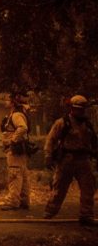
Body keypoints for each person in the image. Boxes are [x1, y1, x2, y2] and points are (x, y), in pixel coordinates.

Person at [43, 95, 96, 225]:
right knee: (59, 188)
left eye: (82, 109)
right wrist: (48, 156)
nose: (80, 111)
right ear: (72, 108)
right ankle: (49, 212)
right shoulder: (62, 123)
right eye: (77, 109)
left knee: (88, 188)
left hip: (83, 160)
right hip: (66, 160)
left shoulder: (87, 124)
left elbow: (94, 142)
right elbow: (51, 140)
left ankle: (86, 215)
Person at [0, 93, 32, 210]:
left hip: (14, 149)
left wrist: (13, 140)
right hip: (19, 149)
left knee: (14, 174)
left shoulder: (16, 115)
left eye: (7, 100)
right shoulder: (18, 113)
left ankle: (13, 201)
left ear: (13, 102)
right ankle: (24, 200)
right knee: (22, 173)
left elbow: (23, 128)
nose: (5, 101)